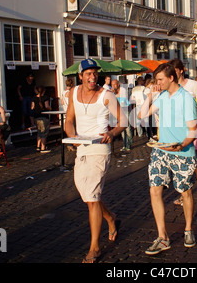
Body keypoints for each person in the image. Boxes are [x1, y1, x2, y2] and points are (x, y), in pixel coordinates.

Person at [64, 58, 127, 263]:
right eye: (88, 73)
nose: (92, 77)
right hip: (81, 148)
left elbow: (123, 121)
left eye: (94, 73)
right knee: (88, 194)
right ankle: (110, 217)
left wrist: (112, 133)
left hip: (100, 149)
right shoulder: (74, 93)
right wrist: (72, 137)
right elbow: (69, 121)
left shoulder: (106, 95)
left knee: (91, 197)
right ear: (80, 76)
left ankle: (94, 248)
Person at [138, 63, 197, 255]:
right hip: (161, 151)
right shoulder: (161, 96)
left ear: (171, 78)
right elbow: (141, 114)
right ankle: (163, 237)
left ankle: (188, 228)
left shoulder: (186, 99)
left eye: (160, 80)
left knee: (185, 191)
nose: (158, 83)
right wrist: (149, 94)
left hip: (181, 152)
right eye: (156, 80)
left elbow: (193, 132)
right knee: (154, 190)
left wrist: (180, 145)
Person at [169, 58, 197, 199]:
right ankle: (184, 193)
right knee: (179, 158)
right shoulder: (170, 86)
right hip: (176, 127)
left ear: (181, 70)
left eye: (175, 70)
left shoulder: (192, 84)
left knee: (191, 158)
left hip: (191, 125)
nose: (172, 73)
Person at [111, 79, 133, 152]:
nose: (113, 86)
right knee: (122, 130)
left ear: (118, 84)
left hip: (125, 110)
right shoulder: (112, 92)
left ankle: (129, 145)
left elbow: (123, 102)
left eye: (115, 84)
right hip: (119, 112)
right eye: (112, 84)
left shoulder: (123, 90)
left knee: (128, 129)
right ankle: (125, 145)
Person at [31, 86, 52, 153]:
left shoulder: (34, 98)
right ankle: (43, 148)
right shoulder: (45, 97)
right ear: (44, 91)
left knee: (39, 131)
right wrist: (50, 109)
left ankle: (38, 146)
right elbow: (47, 106)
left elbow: (32, 107)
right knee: (44, 132)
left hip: (36, 117)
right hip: (44, 117)